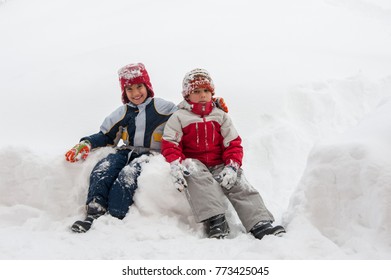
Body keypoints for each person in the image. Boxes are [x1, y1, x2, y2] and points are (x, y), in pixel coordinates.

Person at [161, 68, 286, 240]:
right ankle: (216, 219)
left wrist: (232, 166)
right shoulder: (179, 117)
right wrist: (176, 162)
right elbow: (170, 143)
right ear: (187, 95)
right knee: (197, 177)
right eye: (196, 91)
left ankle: (259, 221)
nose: (202, 95)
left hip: (219, 163)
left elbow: (233, 143)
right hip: (195, 162)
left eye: (206, 90)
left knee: (239, 184)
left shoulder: (220, 116)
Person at [65, 63, 177, 233]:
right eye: (129, 89)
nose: (135, 93)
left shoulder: (162, 108)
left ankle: (115, 215)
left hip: (150, 154)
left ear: (147, 86)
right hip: (126, 151)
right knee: (103, 169)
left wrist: (212, 106)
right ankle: (94, 211)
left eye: (139, 87)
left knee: (127, 176)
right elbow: (106, 136)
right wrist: (87, 143)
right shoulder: (123, 112)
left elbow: (186, 114)